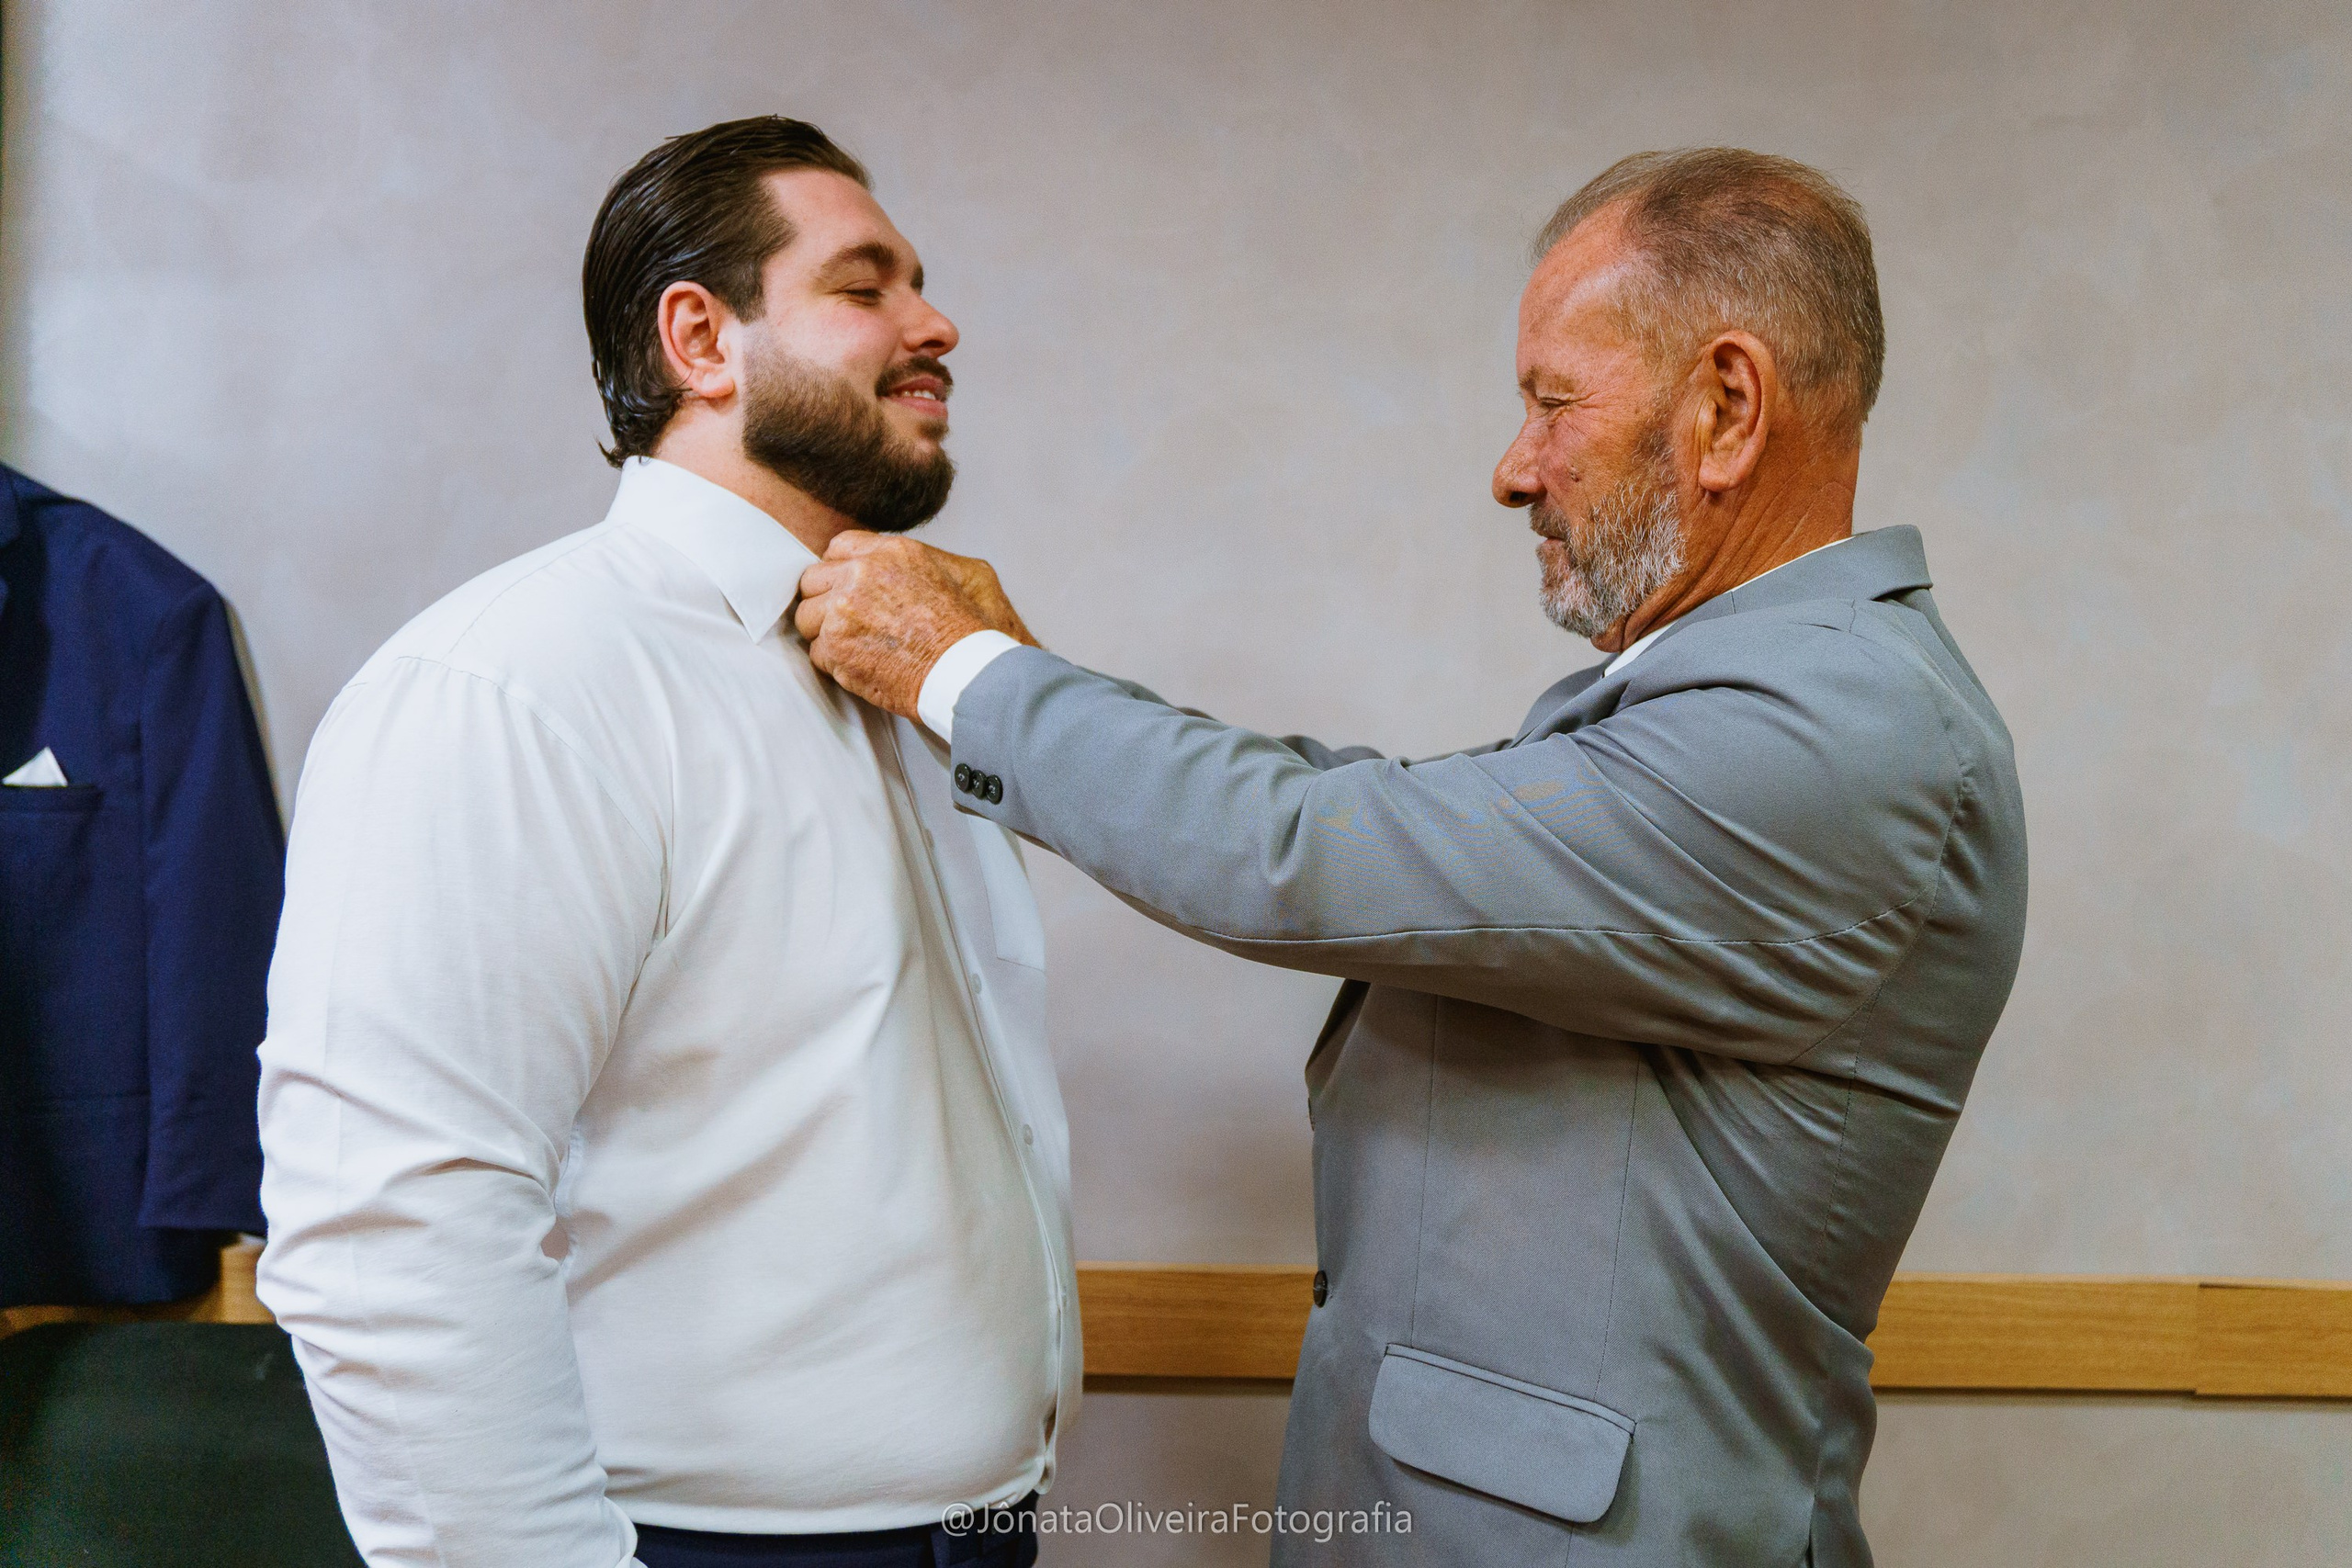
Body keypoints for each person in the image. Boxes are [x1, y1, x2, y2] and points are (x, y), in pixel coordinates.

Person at [796, 148, 2030, 1565]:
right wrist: (1019, 682)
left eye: (1552, 402)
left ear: (1728, 408)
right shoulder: (1749, 699)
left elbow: (1319, 850)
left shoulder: (1840, 727)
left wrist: (972, 679)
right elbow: (1367, 812)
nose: (1515, 470)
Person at [256, 118, 1072, 1568]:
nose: (936, 325)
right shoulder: (517, 683)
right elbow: (394, 1225)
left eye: (919, 285)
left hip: (978, 1537)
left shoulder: (910, 671)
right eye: (865, 285)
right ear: (701, 337)